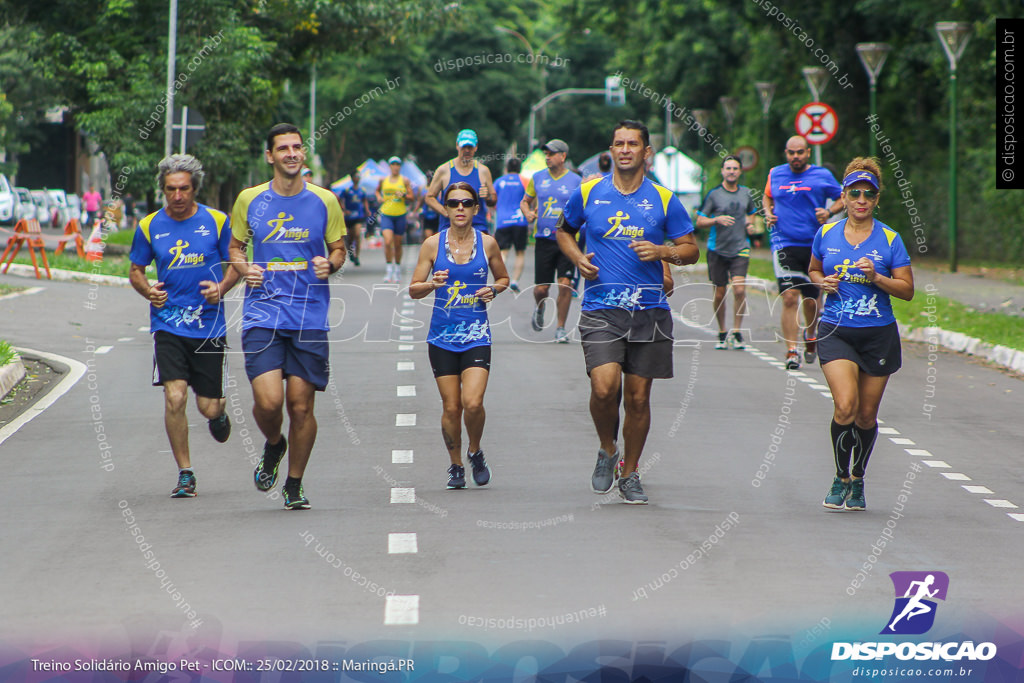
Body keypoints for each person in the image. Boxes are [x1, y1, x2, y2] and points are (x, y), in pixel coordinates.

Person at [556, 120, 698, 504]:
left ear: (645, 152)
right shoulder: (588, 192)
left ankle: (631, 472)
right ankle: (607, 449)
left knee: (637, 399)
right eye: (618, 143)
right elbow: (563, 230)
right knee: (604, 388)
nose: (624, 150)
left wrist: (663, 252)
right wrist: (576, 260)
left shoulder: (665, 199)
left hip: (649, 311)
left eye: (632, 144)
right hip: (602, 308)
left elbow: (690, 249)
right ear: (611, 149)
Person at [229, 123, 346, 510]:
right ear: (270, 156)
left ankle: (294, 483)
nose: (292, 153)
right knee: (268, 402)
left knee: (300, 406)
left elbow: (340, 250)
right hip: (262, 313)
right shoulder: (249, 199)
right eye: (283, 148)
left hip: (310, 316)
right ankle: (274, 444)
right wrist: (245, 269)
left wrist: (330, 264)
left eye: (297, 147)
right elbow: (235, 249)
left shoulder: (324, 200)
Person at [128, 154, 239, 498]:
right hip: (168, 326)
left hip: (208, 327)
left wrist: (220, 289)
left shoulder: (217, 222)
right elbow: (136, 270)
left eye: (184, 189)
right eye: (170, 190)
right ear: (163, 190)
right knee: (174, 397)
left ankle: (219, 415)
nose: (177, 196)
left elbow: (236, 262)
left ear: (195, 189)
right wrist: (148, 291)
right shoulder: (149, 226)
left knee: (209, 406)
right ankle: (185, 472)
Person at [809, 157, 913, 512]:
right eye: (855, 192)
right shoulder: (826, 233)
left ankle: (858, 477)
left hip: (878, 335)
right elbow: (813, 270)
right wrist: (821, 282)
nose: (861, 199)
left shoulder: (889, 239)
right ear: (844, 196)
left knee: (866, 416)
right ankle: (840, 478)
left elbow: (906, 290)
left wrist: (878, 279)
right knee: (845, 406)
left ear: (877, 198)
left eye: (869, 193)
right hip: (837, 330)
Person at [409, 182, 510, 489]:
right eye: (453, 204)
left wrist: (493, 289)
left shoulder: (488, 243)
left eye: (467, 203)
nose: (460, 208)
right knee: (452, 407)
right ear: (446, 209)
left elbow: (504, 277)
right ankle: (455, 466)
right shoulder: (432, 245)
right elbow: (414, 290)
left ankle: (475, 450)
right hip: (441, 337)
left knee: (473, 402)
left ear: (476, 209)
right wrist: (432, 284)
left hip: (477, 335)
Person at [763, 135, 843, 369]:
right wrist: (768, 212)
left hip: (813, 244)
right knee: (789, 297)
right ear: (785, 153)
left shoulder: (821, 175)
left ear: (808, 152)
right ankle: (791, 350)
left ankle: (810, 335)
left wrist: (829, 213)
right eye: (791, 153)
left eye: (799, 152)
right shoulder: (775, 173)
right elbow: (767, 195)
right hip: (783, 243)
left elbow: (842, 197)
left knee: (811, 300)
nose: (795, 157)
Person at [521, 139, 582, 343]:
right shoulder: (537, 178)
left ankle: (560, 328)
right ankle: (540, 307)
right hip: (544, 240)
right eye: (546, 154)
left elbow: (584, 207)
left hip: (568, 240)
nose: (547, 157)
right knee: (541, 289)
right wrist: (528, 212)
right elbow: (525, 201)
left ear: (563, 156)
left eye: (551, 154)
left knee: (565, 284)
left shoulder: (575, 181)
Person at [696, 155, 757, 350]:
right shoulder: (714, 195)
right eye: (728, 168)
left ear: (740, 171)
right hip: (717, 249)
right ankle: (722, 331)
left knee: (739, 289)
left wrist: (750, 223)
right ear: (723, 171)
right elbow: (699, 221)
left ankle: (737, 332)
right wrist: (716, 220)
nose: (731, 172)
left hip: (740, 248)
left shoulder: (746, 193)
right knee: (719, 293)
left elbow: (752, 212)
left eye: (735, 168)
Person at [424, 129, 497, 234]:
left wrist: (487, 197)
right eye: (464, 147)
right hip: (449, 227)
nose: (467, 150)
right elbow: (429, 197)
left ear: (476, 147)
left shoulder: (483, 171)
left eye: (470, 147)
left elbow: (493, 199)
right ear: (457, 146)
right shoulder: (444, 170)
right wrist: (446, 212)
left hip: (477, 228)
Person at [376, 156, 415, 283]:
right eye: (393, 164)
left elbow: (411, 197)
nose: (395, 167)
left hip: (400, 214)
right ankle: (388, 270)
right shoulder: (383, 180)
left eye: (397, 165)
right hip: (386, 213)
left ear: (400, 167)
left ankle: (397, 269)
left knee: (398, 243)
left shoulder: (404, 180)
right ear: (389, 166)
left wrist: (404, 194)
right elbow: (377, 191)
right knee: (388, 242)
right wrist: (379, 198)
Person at [493, 157, 528, 292]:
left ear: (506, 168)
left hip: (503, 220)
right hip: (520, 221)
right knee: (520, 253)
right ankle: (514, 281)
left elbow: (492, 199)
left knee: (503, 251)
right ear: (520, 168)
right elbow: (532, 198)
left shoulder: (499, 181)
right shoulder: (524, 181)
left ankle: (500, 278)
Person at [339, 170, 369, 266]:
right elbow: (340, 200)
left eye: (358, 176)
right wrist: (344, 210)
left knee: (357, 234)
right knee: (350, 237)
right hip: (349, 217)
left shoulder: (362, 190)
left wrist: (367, 210)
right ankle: (351, 252)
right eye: (355, 176)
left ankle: (357, 257)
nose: (357, 178)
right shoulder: (347, 190)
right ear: (352, 178)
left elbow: (364, 200)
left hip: (358, 216)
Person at [419, 169, 440, 242]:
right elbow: (420, 201)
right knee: (428, 237)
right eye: (428, 177)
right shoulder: (422, 189)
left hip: (436, 215)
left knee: (437, 237)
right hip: (426, 215)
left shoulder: (438, 188)